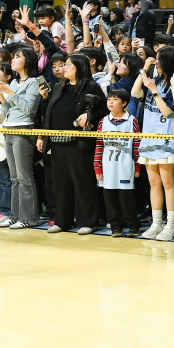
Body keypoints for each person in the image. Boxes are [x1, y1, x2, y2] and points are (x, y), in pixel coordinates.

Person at [40, 53, 106, 234]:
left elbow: (104, 109)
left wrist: (89, 116)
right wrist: (42, 136)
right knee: (60, 185)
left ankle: (88, 221)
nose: (64, 67)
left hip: (79, 144)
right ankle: (63, 221)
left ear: (79, 67)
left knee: (82, 183)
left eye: (68, 64)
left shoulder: (91, 86)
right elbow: (50, 113)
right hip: (56, 143)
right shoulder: (59, 87)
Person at [133, 47, 174, 241]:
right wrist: (143, 70)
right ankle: (157, 224)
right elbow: (134, 92)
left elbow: (167, 112)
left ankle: (172, 225)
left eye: (157, 59)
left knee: (167, 182)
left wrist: (154, 91)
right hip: (149, 137)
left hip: (167, 137)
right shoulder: (154, 79)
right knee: (153, 183)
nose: (155, 62)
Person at [0, 46, 42, 230]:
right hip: (8, 128)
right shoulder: (13, 83)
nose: (12, 60)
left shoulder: (33, 82)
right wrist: (2, 97)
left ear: (27, 61)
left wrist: (10, 93)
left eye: (17, 57)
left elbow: (30, 110)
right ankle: (14, 215)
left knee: (24, 177)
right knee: (13, 177)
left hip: (24, 129)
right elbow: (8, 111)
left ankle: (29, 217)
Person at [94, 89, 142, 237]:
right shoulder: (103, 122)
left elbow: (137, 145)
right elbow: (99, 146)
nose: (110, 102)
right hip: (108, 166)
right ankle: (116, 226)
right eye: (109, 99)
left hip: (125, 165)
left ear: (124, 103)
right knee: (109, 197)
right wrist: (97, 168)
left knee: (126, 197)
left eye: (115, 99)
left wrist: (138, 165)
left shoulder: (132, 121)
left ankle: (133, 225)